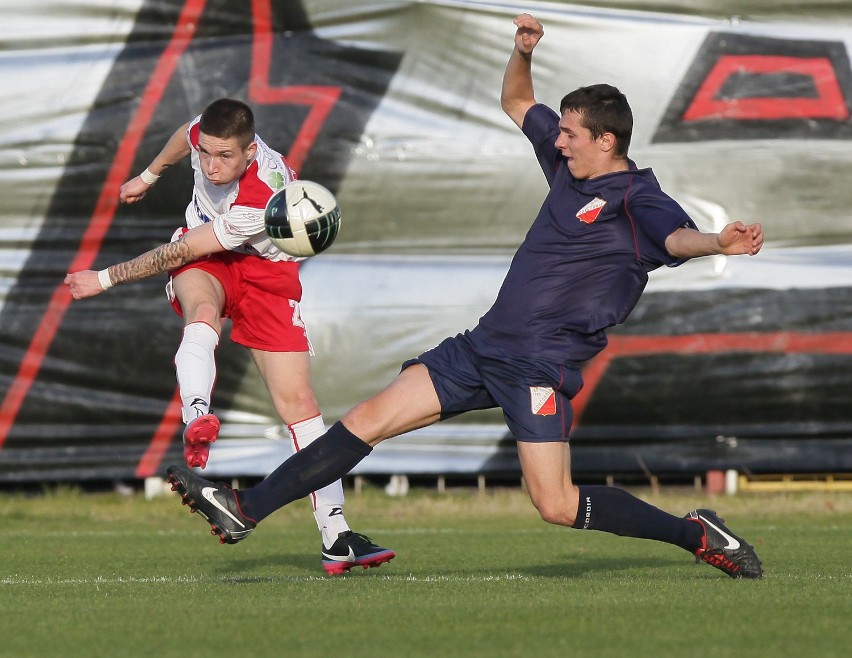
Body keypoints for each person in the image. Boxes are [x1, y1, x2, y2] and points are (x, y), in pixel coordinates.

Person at [164, 17, 765, 579]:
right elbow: (518, 102)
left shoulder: (638, 198)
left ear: (606, 141)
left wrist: (718, 241)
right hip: (481, 349)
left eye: (572, 134)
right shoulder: (567, 170)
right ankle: (246, 507)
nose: (559, 140)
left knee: (555, 504)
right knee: (366, 420)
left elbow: (676, 239)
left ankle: (697, 535)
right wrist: (522, 52)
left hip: (538, 364)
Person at [64, 98, 394, 576]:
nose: (213, 166)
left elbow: (183, 248)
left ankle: (337, 535)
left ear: (249, 152)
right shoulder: (205, 136)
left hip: (264, 273)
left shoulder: (260, 196)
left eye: (225, 158)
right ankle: (197, 413)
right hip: (211, 256)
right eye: (207, 155)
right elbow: (187, 133)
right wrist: (150, 175)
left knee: (300, 404)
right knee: (202, 308)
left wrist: (107, 278)